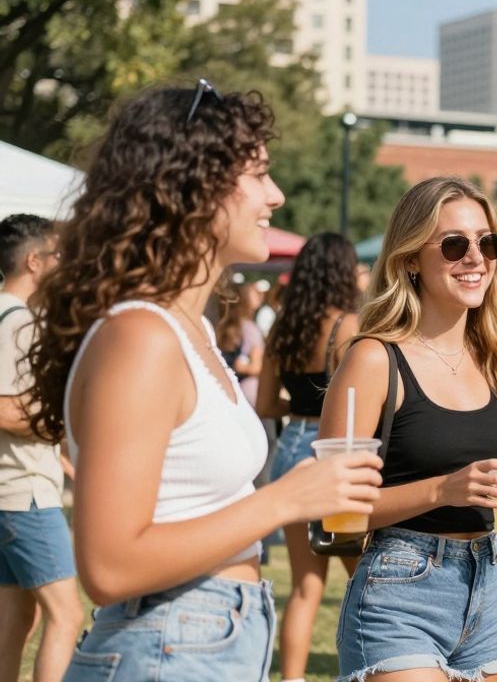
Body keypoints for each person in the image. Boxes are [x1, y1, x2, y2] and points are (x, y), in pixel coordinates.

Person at [24, 82, 381, 681]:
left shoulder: (188, 329)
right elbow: (108, 565)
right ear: (195, 183)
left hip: (206, 636)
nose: (277, 194)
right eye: (260, 174)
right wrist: (289, 497)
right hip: (167, 643)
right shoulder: (140, 335)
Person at [324, 176, 497, 682]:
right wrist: (445, 488)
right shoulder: (373, 358)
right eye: (453, 245)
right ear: (408, 260)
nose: (475, 258)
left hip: (488, 582)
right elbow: (335, 510)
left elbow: (496, 473)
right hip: (400, 587)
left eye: (487, 243)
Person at [255, 231, 362, 682]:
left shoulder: (282, 325)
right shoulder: (348, 327)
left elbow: (264, 405)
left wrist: (296, 410)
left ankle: (292, 679)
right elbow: (357, 407)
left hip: (291, 449)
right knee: (365, 580)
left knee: (305, 585)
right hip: (334, 452)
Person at [0, 214, 81, 682]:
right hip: (25, 493)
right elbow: (7, 410)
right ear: (34, 261)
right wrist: (63, 422)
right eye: (56, 254)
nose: (62, 263)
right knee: (66, 615)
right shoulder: (18, 322)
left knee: (16, 619)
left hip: (11, 490)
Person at [217, 280, 266, 408]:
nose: (260, 296)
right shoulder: (251, 329)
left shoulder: (221, 327)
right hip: (250, 390)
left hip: (227, 390)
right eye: (256, 293)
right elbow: (256, 367)